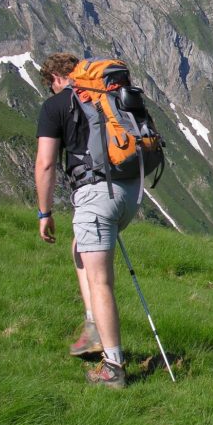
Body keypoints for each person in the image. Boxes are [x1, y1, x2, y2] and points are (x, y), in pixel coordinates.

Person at [35, 53, 140, 389]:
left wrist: (44, 212)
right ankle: (93, 325)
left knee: (101, 282)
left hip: (96, 197)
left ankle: (113, 367)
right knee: (79, 248)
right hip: (129, 192)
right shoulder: (108, 95)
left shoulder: (56, 106)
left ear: (56, 78)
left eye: (49, 83)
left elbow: (46, 164)